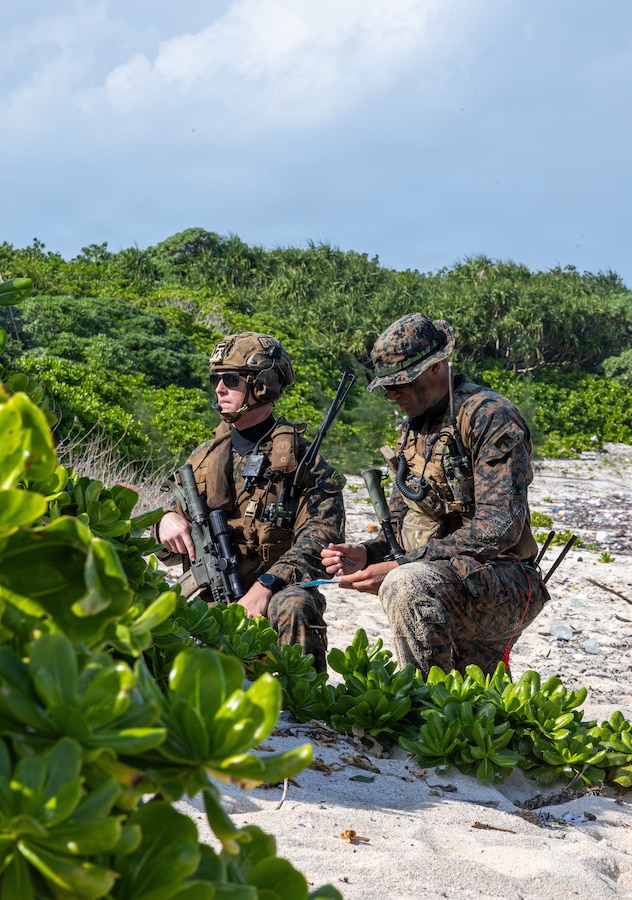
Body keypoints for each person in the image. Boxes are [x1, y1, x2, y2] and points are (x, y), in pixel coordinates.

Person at [321, 312, 550, 677]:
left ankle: (423, 712)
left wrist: (401, 566)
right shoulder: (414, 429)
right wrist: (367, 553)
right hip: (447, 576)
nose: (393, 394)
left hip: (503, 579)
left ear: (436, 367)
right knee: (479, 699)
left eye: (402, 383)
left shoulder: (488, 416)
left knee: (405, 584)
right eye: (386, 387)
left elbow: (500, 526)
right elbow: (401, 527)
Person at [158, 331, 346, 673]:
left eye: (231, 379)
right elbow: (172, 548)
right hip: (211, 600)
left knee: (295, 603)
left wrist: (265, 587)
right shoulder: (203, 458)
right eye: (215, 379)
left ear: (265, 385)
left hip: (275, 597)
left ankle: (297, 699)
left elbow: (321, 540)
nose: (219, 388)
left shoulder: (303, 462)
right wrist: (165, 522)